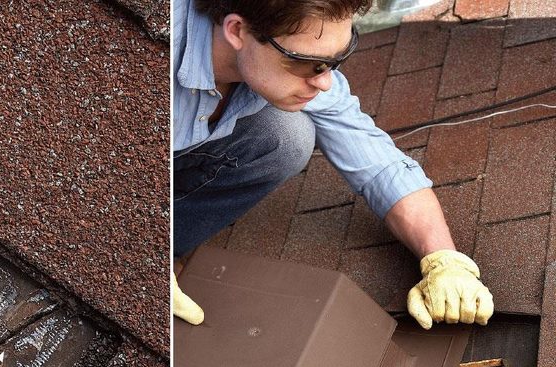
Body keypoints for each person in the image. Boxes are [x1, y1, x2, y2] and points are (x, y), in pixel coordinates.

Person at [171, 0, 494, 331]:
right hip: (121, 169)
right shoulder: (148, 59)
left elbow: (377, 163)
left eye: (336, 59)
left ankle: (169, 241)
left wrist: (444, 260)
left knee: (286, 138)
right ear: (237, 30)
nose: (324, 82)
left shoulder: (289, 60)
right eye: (308, 64)